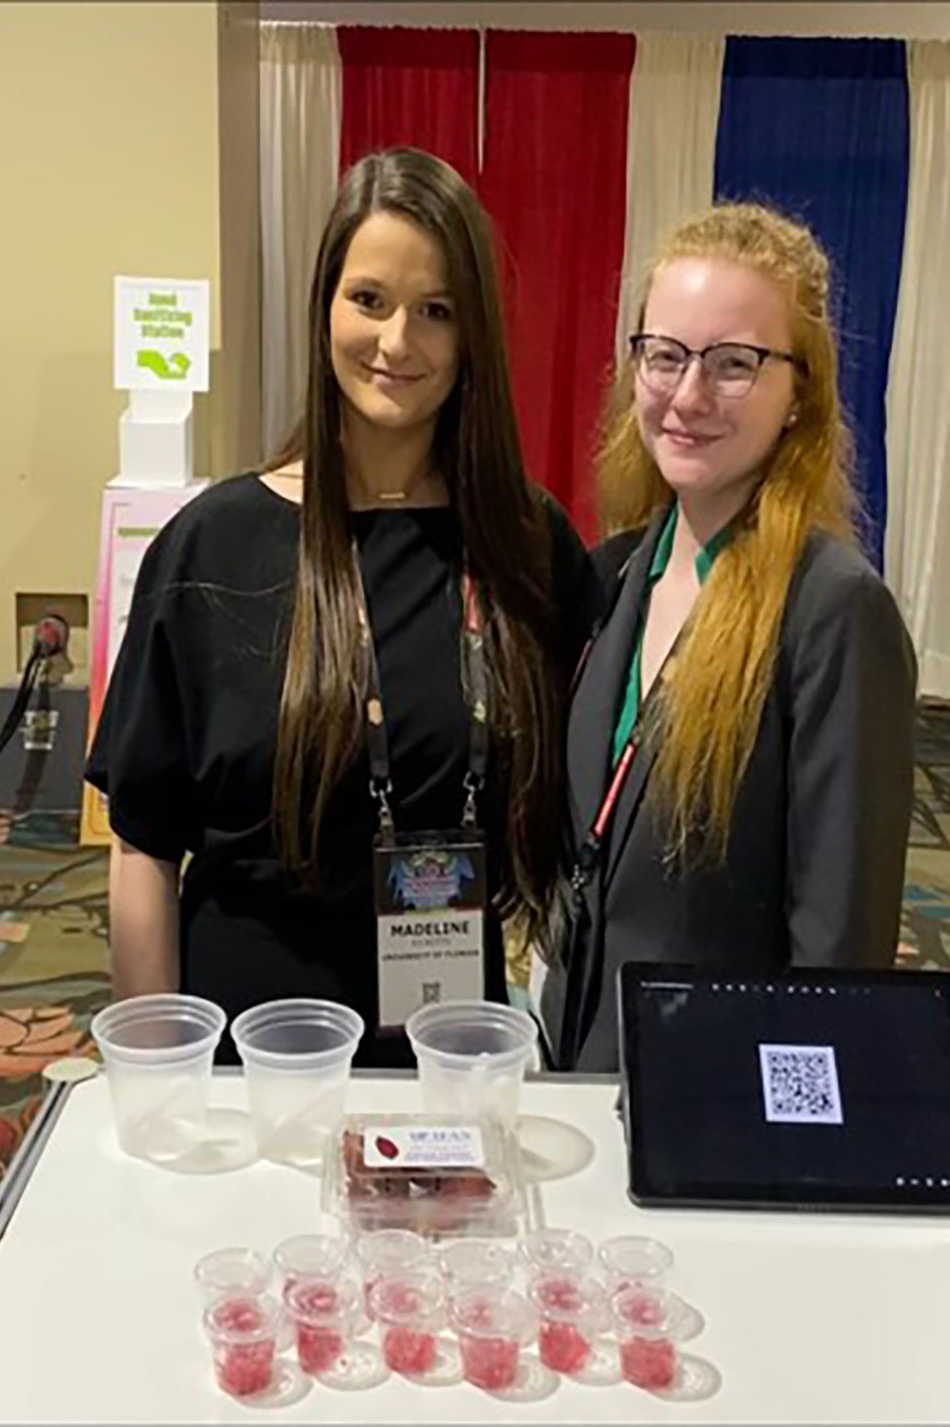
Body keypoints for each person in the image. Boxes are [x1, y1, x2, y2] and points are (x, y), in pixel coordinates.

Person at [88, 148, 594, 1065]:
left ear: (474, 333)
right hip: (251, 1055)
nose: (398, 342)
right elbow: (143, 847)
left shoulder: (527, 545)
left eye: (436, 311)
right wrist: (162, 1073)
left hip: (451, 1054)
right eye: (369, 300)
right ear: (324, 305)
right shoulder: (211, 546)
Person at [541, 203, 916, 1073]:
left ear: (801, 395)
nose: (689, 395)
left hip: (715, 1100)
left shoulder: (833, 613)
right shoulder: (610, 578)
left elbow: (840, 951)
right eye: (664, 355)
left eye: (735, 364)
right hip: (578, 1071)